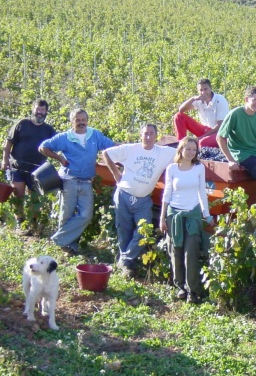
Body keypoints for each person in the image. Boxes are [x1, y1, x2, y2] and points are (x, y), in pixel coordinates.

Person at [102, 124, 177, 278]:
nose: (148, 137)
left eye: (151, 134)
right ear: (140, 135)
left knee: (144, 230)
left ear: (156, 136)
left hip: (143, 200)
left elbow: (182, 151)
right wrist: (116, 174)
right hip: (123, 195)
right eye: (145, 134)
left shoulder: (164, 153)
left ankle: (125, 259)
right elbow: (106, 154)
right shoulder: (131, 149)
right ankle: (127, 265)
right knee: (123, 229)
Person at [39, 109, 115, 255]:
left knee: (86, 215)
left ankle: (59, 239)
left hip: (86, 181)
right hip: (69, 180)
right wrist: (60, 158)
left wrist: (129, 148)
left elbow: (110, 145)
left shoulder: (94, 135)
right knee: (66, 214)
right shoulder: (65, 138)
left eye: (83, 119)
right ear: (72, 121)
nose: (81, 122)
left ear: (87, 120)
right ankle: (68, 247)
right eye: (77, 120)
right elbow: (43, 147)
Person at [159, 137, 214, 304]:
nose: (191, 152)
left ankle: (193, 290)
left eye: (194, 149)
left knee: (191, 253)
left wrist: (207, 215)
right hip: (173, 214)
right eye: (188, 148)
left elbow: (201, 192)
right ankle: (180, 287)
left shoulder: (198, 168)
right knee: (175, 251)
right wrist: (162, 218)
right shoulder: (172, 169)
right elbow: (167, 193)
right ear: (181, 150)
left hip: (192, 214)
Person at [2, 99, 56, 230]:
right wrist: (5, 160)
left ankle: (33, 223)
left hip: (37, 171)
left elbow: (58, 146)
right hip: (17, 167)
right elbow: (8, 143)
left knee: (35, 199)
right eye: (38, 109)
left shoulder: (49, 130)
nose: (40, 112)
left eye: (42, 110)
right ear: (33, 109)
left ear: (46, 112)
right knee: (18, 195)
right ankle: (20, 222)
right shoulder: (22, 124)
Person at [175, 78, 229, 148]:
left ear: (210, 88)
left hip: (219, 133)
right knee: (178, 116)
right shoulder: (199, 100)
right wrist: (193, 98)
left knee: (202, 143)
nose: (203, 92)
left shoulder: (220, 100)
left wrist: (200, 138)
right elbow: (181, 110)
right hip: (205, 130)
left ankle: (196, 150)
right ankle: (182, 145)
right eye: (201, 90)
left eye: (205, 89)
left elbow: (220, 126)